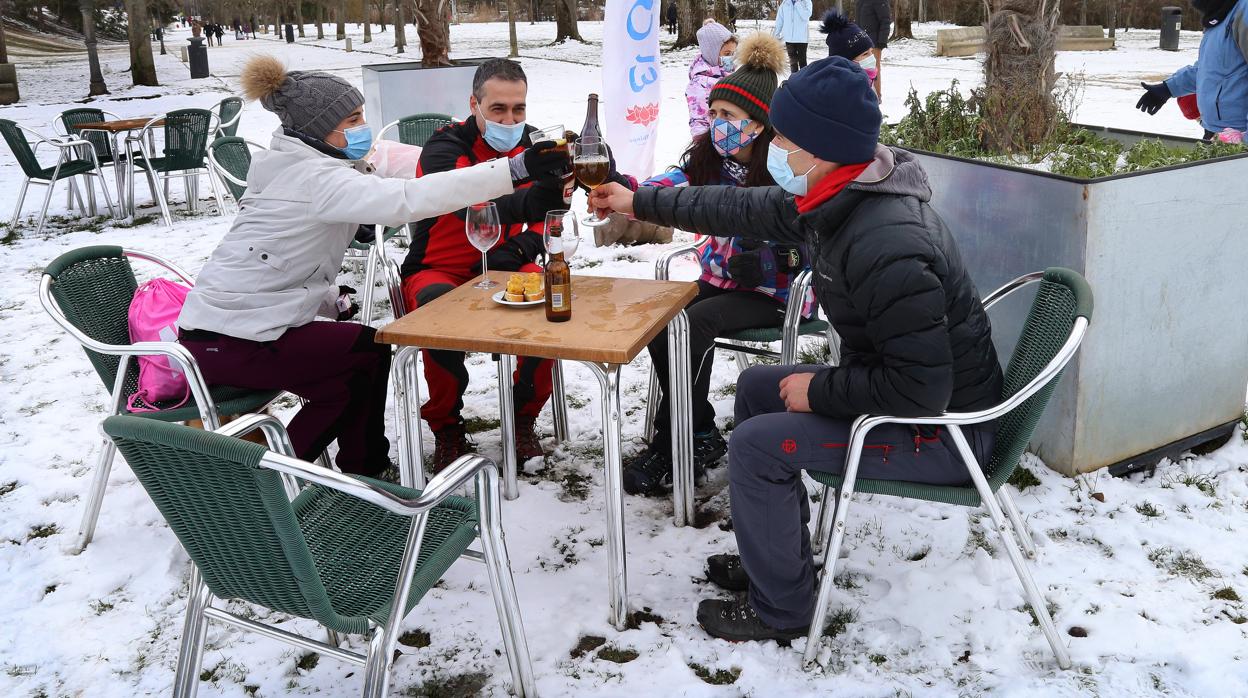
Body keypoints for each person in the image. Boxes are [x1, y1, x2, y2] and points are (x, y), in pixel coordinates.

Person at [590, 56, 1003, 642]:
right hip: (917, 406)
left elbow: (920, 389)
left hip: (944, 434)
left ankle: (783, 609)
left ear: (820, 147)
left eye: (782, 137)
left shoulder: (888, 243)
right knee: (758, 389)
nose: (772, 147)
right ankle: (778, 560)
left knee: (759, 446)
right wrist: (638, 203)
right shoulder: (840, 196)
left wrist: (822, 388)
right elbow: (734, 206)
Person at [177, 55, 567, 479]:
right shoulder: (318, 178)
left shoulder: (295, 165)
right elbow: (409, 199)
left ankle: (334, 467)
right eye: (353, 119)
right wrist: (515, 168)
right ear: (317, 128)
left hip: (228, 327)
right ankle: (282, 474)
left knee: (351, 374)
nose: (364, 128)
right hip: (234, 337)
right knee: (366, 353)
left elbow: (275, 253)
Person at [398, 59, 629, 471]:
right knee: (438, 312)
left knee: (553, 302)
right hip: (440, 267)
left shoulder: (538, 146)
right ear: (474, 104)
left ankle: (524, 418)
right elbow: (468, 205)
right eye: (498, 109)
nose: (511, 118)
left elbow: (552, 215)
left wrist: (522, 246)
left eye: (518, 109)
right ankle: (446, 426)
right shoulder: (444, 146)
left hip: (506, 267)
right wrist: (537, 196)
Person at [624, 33, 808, 496]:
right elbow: (669, 181)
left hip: (776, 294)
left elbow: (806, 233)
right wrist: (628, 189)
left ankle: (673, 446)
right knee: (665, 319)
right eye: (714, 113)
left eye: (728, 116)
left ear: (760, 123)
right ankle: (699, 430)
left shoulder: (784, 166)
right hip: (720, 280)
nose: (717, 123)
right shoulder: (711, 155)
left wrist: (768, 256)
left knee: (695, 323)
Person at [1138, 0, 1248, 143]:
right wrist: (1167, 89)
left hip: (1240, 140)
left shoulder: (1243, 11)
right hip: (1222, 136)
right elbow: (1207, 69)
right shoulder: (1218, 16)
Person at [687, 22, 737, 137]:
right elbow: (698, 121)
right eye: (727, 53)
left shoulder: (728, 71)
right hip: (713, 140)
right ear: (712, 53)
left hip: (731, 135)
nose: (730, 57)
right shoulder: (699, 84)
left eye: (733, 53)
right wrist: (703, 147)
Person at [820, 11, 877, 88]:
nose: (872, 58)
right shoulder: (839, 91)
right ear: (845, 61)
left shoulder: (866, 82)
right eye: (865, 54)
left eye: (871, 51)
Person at [773, 0, 812, 72]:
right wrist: (775, 36)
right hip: (789, 39)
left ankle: (804, 81)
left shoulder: (806, 1)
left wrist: (797, 4)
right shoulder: (785, 3)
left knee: (802, 62)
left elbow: (806, 16)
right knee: (793, 63)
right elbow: (779, 21)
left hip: (802, 39)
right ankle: (794, 81)